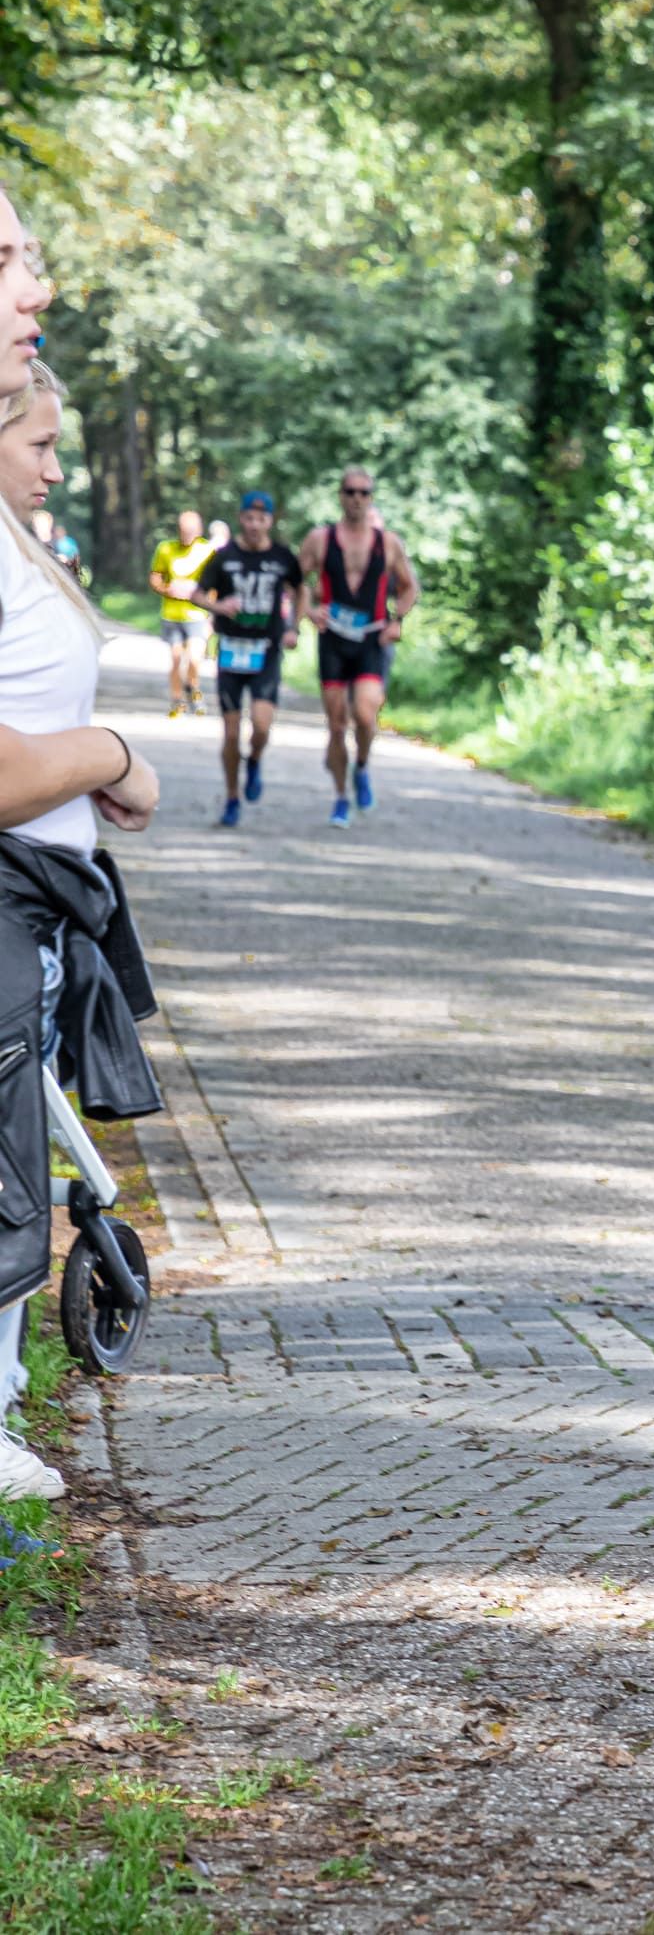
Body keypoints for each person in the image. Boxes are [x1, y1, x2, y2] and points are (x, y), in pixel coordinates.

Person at [0, 344, 160, 1505]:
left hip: (46, 891)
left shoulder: (21, 543)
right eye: (41, 444)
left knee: (16, 1147)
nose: (59, 467)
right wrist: (112, 754)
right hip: (12, 884)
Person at [297, 468, 417, 829]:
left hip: (370, 637)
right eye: (350, 492)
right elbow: (294, 580)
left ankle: (361, 766)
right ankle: (340, 797)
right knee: (336, 726)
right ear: (340, 495)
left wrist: (397, 620)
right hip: (333, 637)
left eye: (364, 493)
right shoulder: (321, 539)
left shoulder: (388, 543)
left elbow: (409, 587)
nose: (357, 499)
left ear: (371, 497)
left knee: (365, 715)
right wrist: (307, 610)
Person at [189, 492, 302, 828]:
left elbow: (301, 589)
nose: (255, 525)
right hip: (231, 650)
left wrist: (294, 626)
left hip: (266, 651)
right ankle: (232, 797)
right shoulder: (224, 556)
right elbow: (196, 593)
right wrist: (218, 607)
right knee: (231, 731)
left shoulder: (283, 557)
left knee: (262, 726)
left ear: (270, 520)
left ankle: (254, 759)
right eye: (249, 518)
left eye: (261, 519)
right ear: (241, 518)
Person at [147, 511, 213, 719]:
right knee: (176, 659)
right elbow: (155, 577)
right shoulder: (165, 548)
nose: (187, 535)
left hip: (197, 614)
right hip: (172, 614)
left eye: (191, 531)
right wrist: (168, 589)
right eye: (184, 531)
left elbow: (217, 583)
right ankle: (177, 701)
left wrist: (206, 600)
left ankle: (193, 689)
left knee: (194, 658)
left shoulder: (207, 551)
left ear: (199, 531)